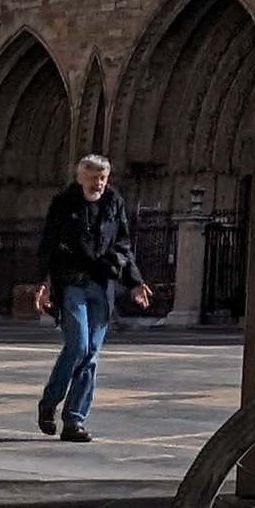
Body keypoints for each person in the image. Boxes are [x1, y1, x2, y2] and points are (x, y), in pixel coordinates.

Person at [36, 152, 147, 443]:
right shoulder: (64, 204)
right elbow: (47, 245)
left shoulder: (114, 203)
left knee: (91, 355)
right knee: (79, 345)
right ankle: (50, 402)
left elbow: (123, 244)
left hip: (102, 284)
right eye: (92, 177)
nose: (97, 183)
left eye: (102, 178)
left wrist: (134, 282)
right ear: (79, 177)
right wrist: (44, 283)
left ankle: (74, 421)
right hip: (71, 282)